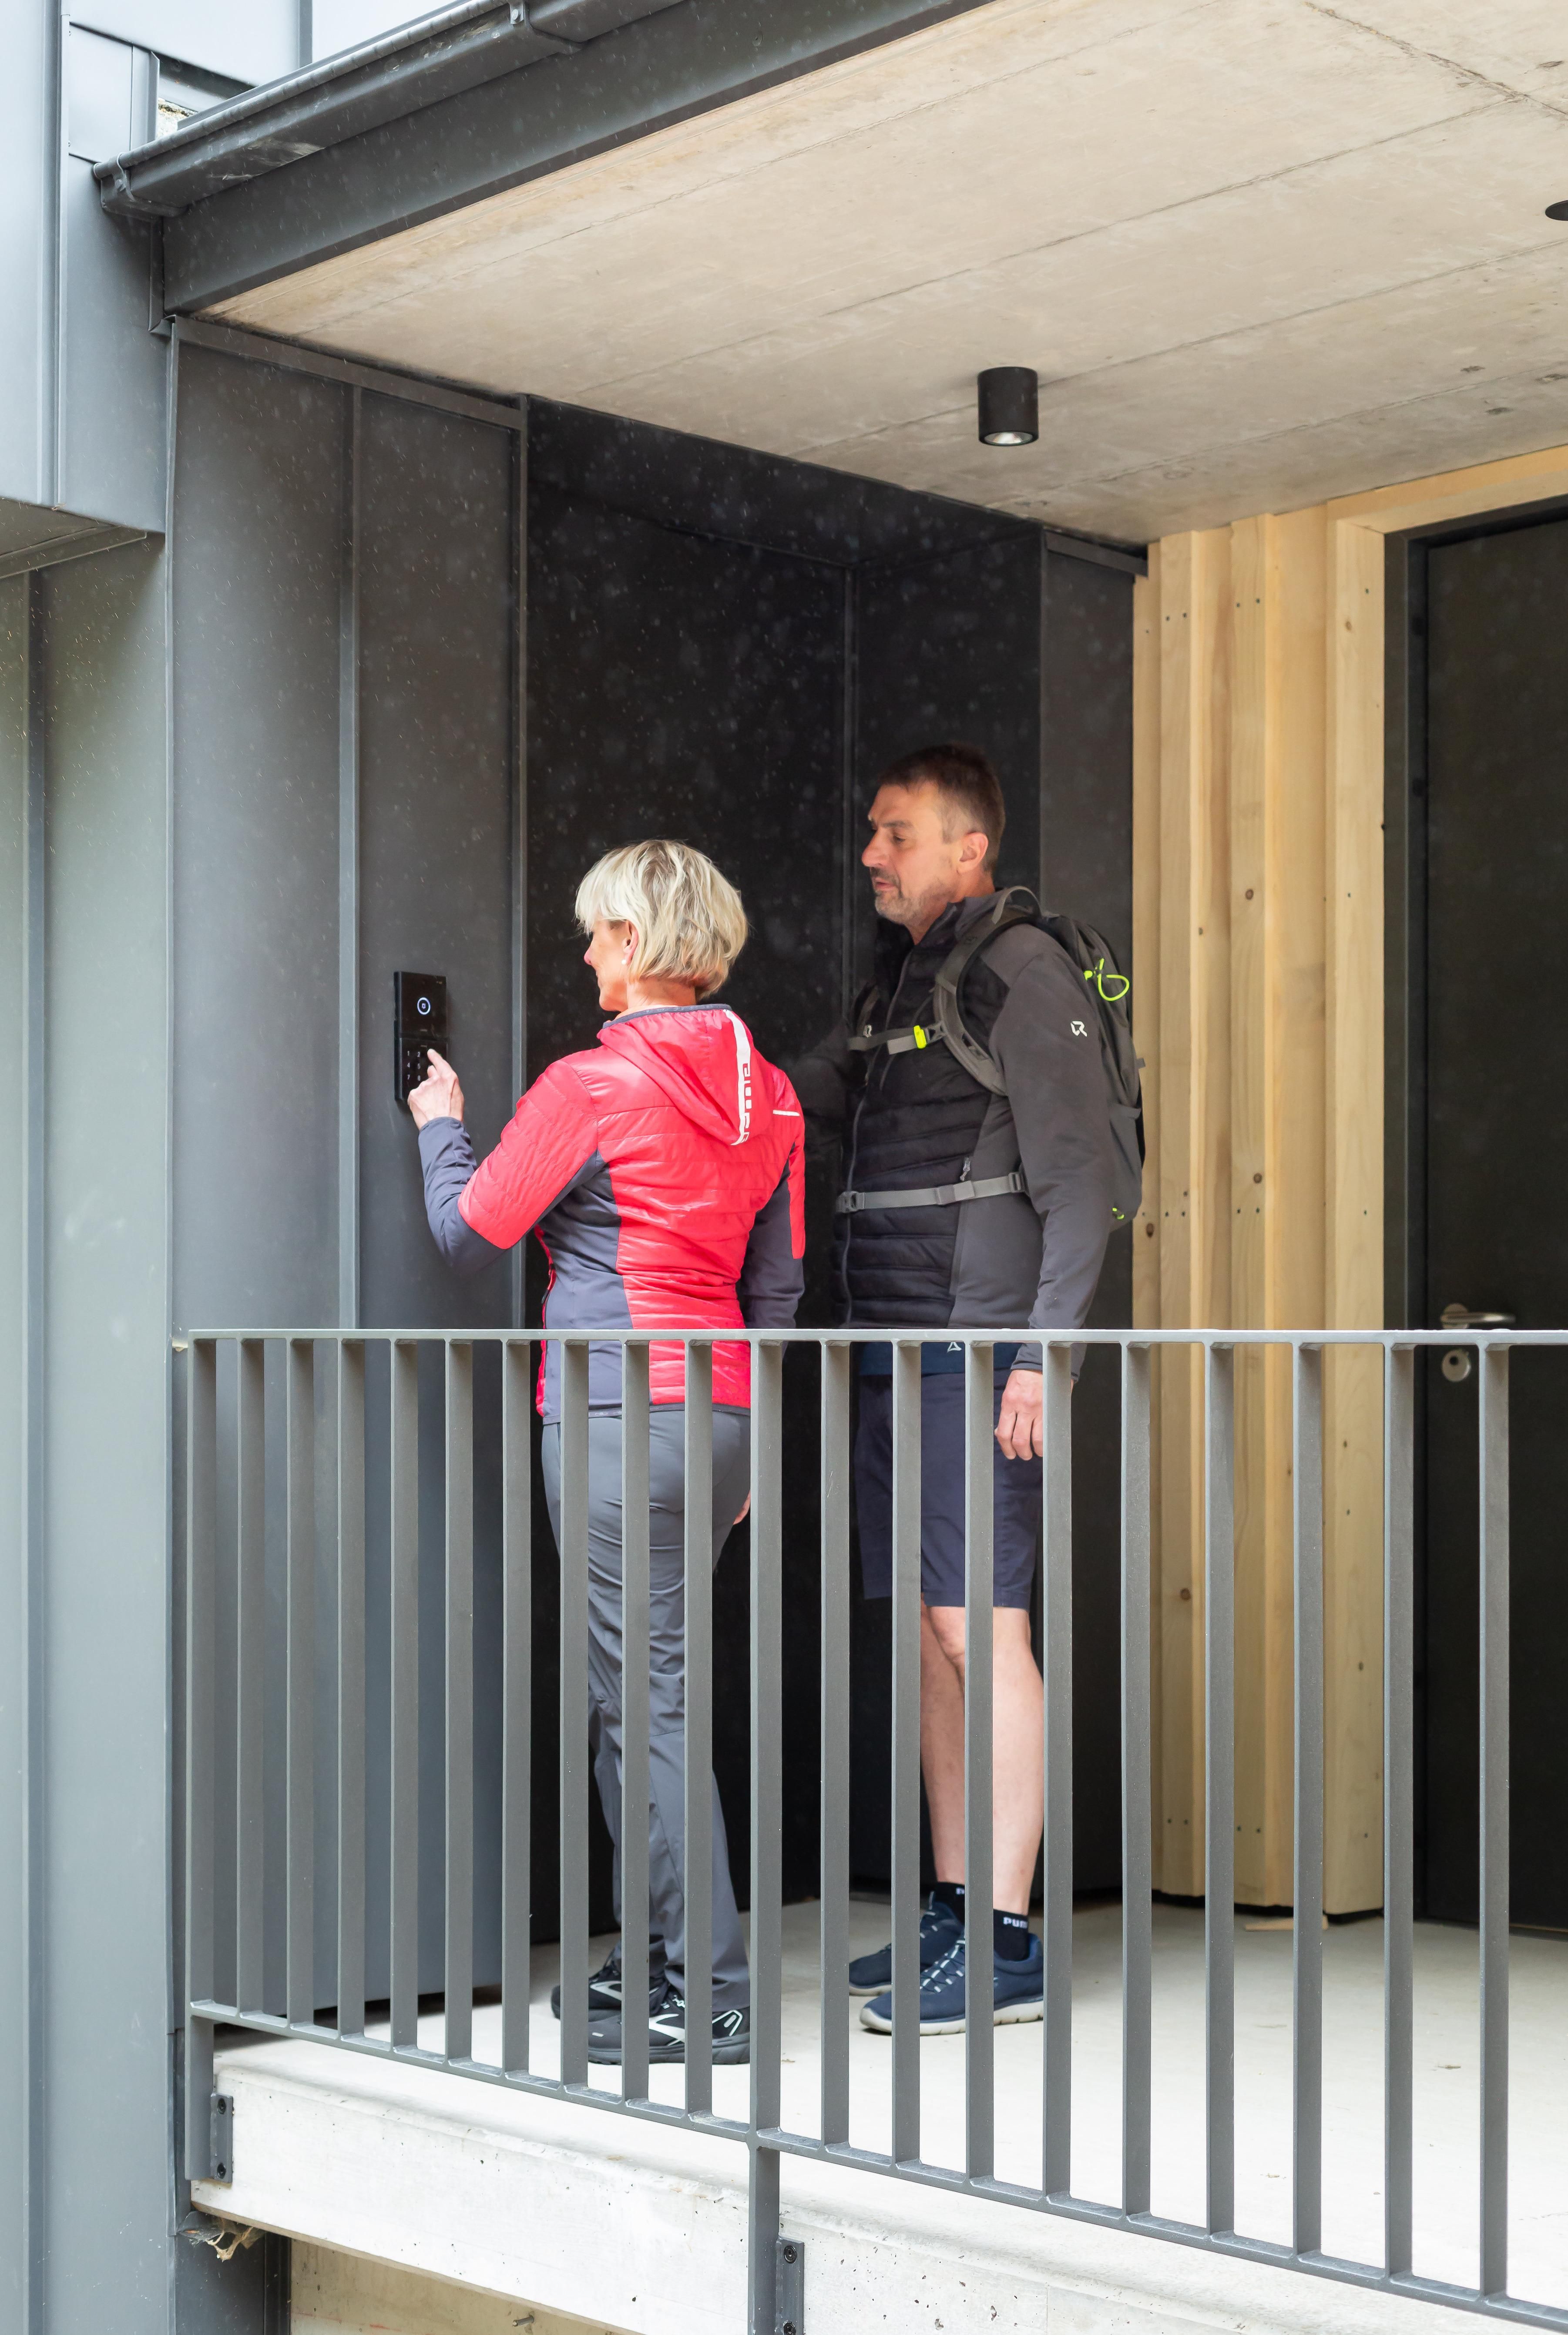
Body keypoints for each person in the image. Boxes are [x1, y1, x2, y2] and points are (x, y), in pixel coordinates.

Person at [408, 839, 804, 2068]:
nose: (585, 956)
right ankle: (658, 1961)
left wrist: (439, 1127)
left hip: (616, 1414)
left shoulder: (590, 1084)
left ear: (634, 943)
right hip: (719, 1417)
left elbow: (469, 1231)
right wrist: (747, 1445)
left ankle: (713, 1993)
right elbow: (777, 1287)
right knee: (644, 1699)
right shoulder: (775, 1095)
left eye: (596, 934)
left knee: (643, 1703)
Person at [792, 743, 1115, 2036]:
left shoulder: (1022, 971)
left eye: (898, 835)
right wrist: (683, 1065)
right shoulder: (902, 979)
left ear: (969, 848)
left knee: (980, 1629)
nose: (872, 855)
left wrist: (1041, 1355)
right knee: (935, 1636)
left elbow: (1081, 1183)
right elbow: (804, 1099)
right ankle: (954, 1906)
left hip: (976, 1354)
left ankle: (1006, 1940)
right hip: (894, 1344)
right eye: (872, 833)